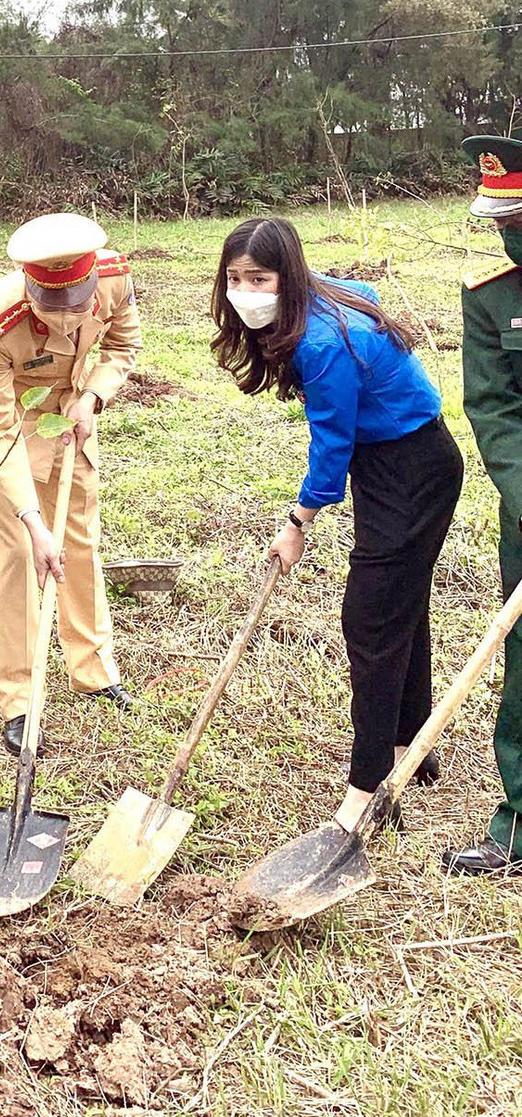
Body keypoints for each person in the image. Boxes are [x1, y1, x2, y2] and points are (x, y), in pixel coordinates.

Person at [211, 215, 463, 833]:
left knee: (371, 620)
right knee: (399, 605)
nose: (246, 290)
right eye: (236, 277)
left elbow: (332, 443)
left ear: (287, 276)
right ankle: (411, 748)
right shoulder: (321, 294)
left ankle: (369, 787)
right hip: (394, 461)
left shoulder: (324, 343)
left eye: (259, 277)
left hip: (413, 467)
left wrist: (298, 519)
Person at [0, 213, 141, 757]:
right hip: (11, 419)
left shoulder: (114, 276)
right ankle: (18, 699)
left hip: (69, 414)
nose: (67, 320)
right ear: (30, 286)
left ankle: (92, 668)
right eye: (52, 308)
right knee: (18, 554)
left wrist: (93, 397)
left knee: (79, 542)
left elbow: (122, 345)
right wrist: (33, 522)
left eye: (77, 306)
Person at [445, 135, 522, 876]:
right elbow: (494, 409)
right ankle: (519, 825)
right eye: (501, 219)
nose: (508, 231)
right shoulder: (489, 296)